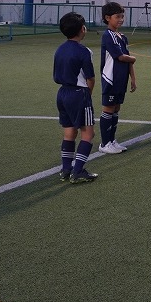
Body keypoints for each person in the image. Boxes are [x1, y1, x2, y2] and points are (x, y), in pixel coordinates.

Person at [53, 12, 98, 183]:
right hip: (79, 94)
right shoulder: (84, 51)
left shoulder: (60, 49)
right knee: (88, 134)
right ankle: (78, 171)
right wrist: (87, 96)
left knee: (69, 133)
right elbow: (90, 78)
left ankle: (66, 169)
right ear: (82, 29)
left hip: (62, 93)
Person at [98, 2, 136, 155]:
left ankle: (112, 140)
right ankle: (104, 143)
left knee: (116, 108)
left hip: (121, 78)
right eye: (117, 17)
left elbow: (128, 60)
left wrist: (133, 78)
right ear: (107, 18)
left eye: (122, 16)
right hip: (111, 78)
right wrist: (133, 59)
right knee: (108, 108)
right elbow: (120, 57)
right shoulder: (108, 35)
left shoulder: (122, 37)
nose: (120, 19)